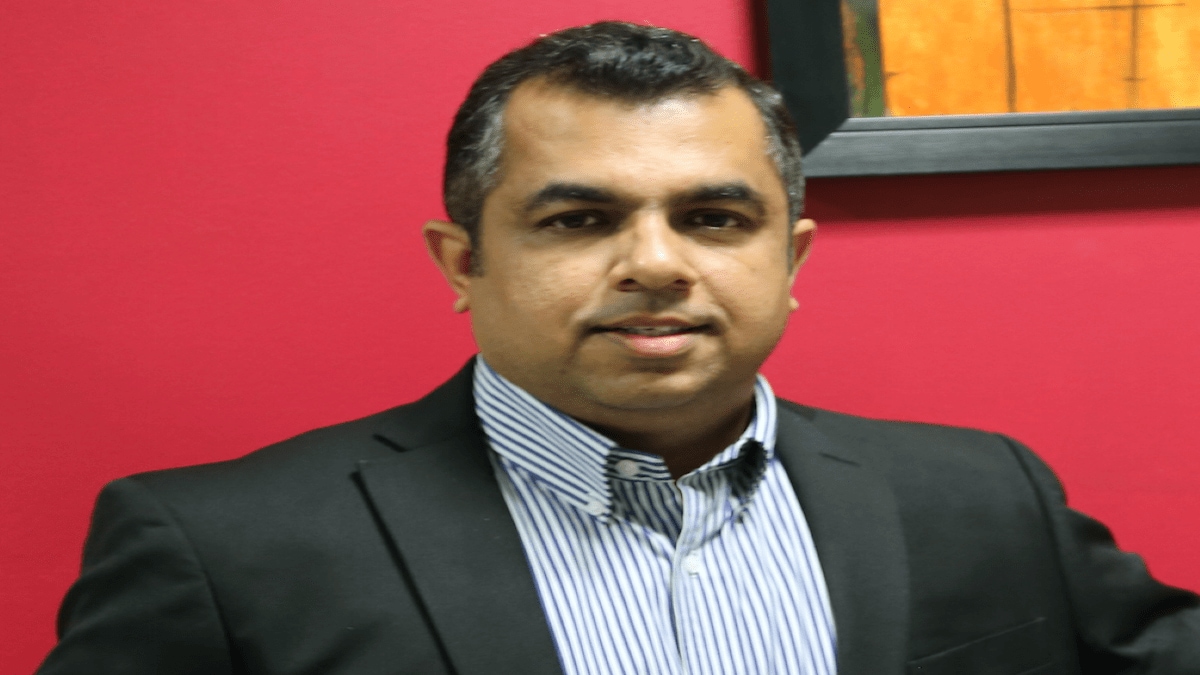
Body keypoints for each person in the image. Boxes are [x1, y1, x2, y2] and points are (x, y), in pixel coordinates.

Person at [38, 21, 1199, 675]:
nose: (655, 263)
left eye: (715, 218)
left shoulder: (983, 495)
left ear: (790, 258)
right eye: (580, 220)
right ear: (462, 262)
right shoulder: (221, 551)